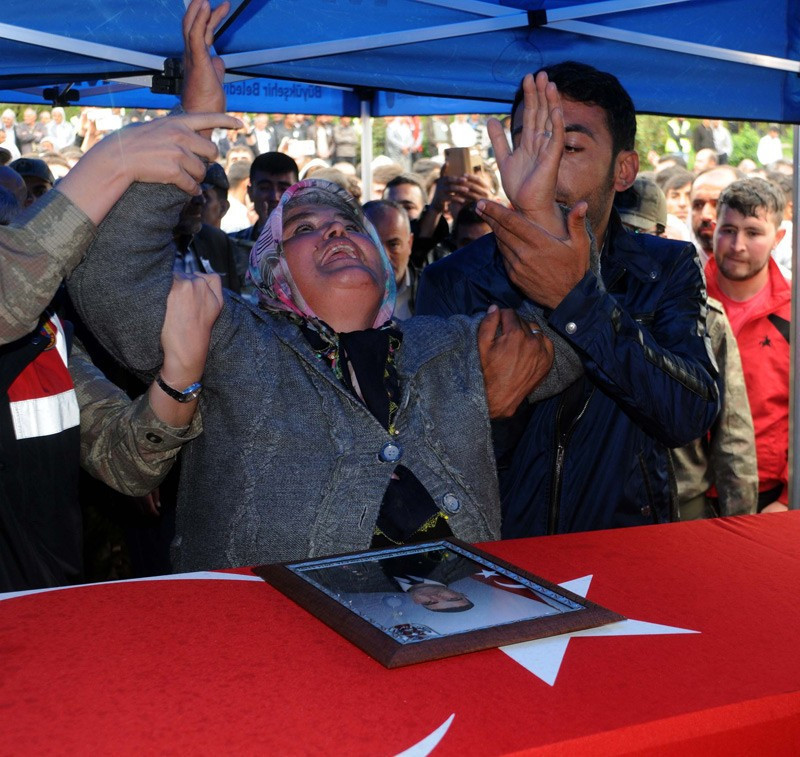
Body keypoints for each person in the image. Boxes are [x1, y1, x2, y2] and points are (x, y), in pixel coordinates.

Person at [417, 63, 719, 536]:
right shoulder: (453, 279)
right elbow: (431, 450)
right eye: (529, 142)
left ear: (623, 170)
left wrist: (578, 301)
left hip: (625, 548)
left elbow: (689, 414)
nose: (544, 165)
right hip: (501, 559)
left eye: (570, 146)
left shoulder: (665, 267)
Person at [0, 111, 241, 591]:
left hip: (44, 609)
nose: (17, 219)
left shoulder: (48, 338)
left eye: (21, 205)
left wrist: (180, 373)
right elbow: (11, 284)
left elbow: (126, 461)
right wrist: (115, 159)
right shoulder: (15, 305)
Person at [705, 178, 790, 513]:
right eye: (728, 229)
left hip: (769, 498)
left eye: (753, 232)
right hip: (687, 493)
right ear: (713, 229)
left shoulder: (792, 313)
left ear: (778, 238)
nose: (737, 244)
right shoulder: (681, 299)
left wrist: (787, 498)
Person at [363, 200, 417, 319]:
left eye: (393, 245)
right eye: (373, 244)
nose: (384, 257)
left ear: (410, 243)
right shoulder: (333, 296)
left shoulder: (433, 291)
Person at [690, 165, 741, 266]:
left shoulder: (776, 277)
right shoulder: (675, 272)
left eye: (718, 204)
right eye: (698, 205)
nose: (705, 216)